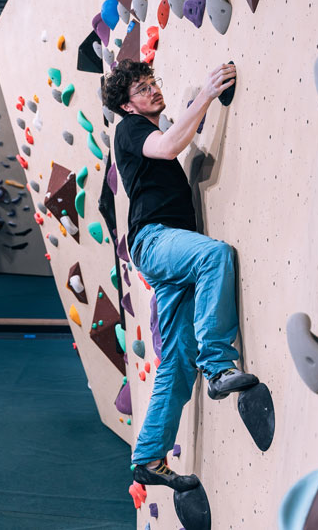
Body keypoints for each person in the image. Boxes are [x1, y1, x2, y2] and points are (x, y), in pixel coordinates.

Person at [103, 59, 258, 491]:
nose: (152, 89)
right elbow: (171, 145)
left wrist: (201, 108)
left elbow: (177, 137)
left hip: (170, 251)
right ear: (128, 106)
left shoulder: (150, 130)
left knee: (174, 359)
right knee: (215, 257)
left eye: (152, 82)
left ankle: (149, 456)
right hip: (156, 240)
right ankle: (218, 366)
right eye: (141, 88)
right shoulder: (130, 130)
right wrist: (206, 96)